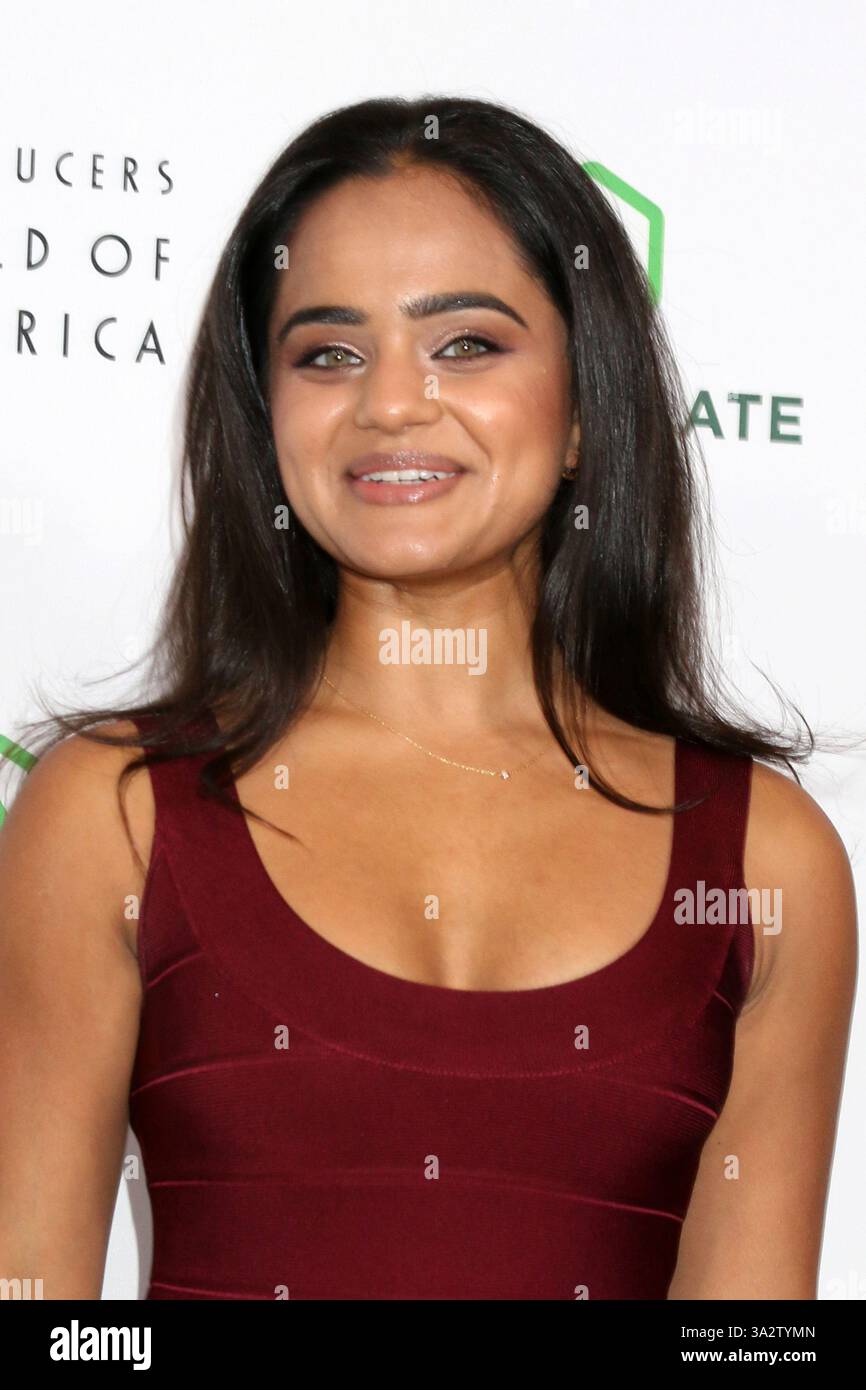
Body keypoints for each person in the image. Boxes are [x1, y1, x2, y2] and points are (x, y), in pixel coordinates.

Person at [0, 95, 857, 1301]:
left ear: (579, 415)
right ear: (266, 419)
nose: (390, 402)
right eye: (327, 352)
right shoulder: (119, 816)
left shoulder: (764, 861)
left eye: (465, 343)